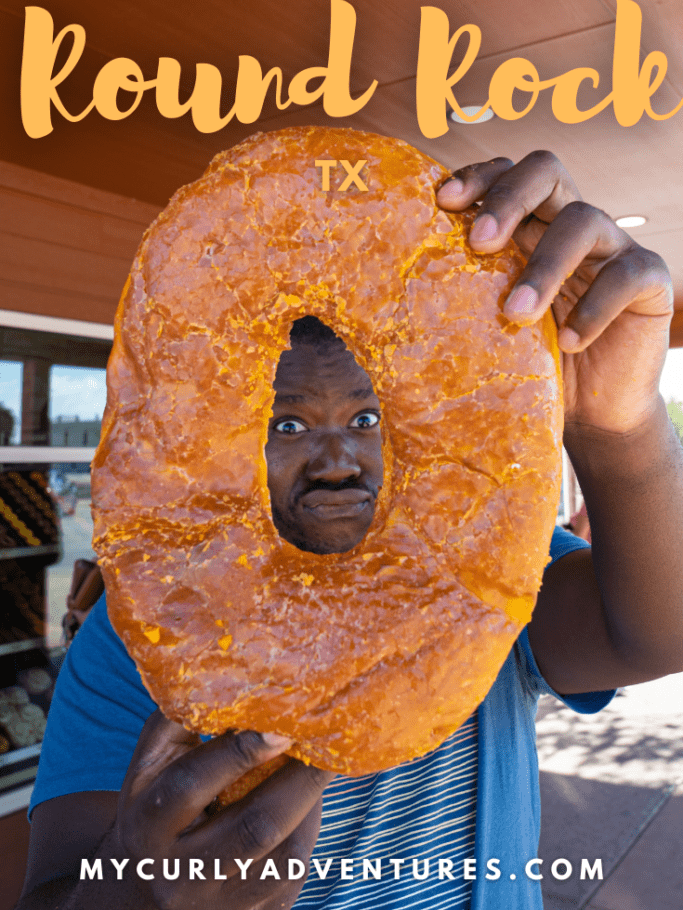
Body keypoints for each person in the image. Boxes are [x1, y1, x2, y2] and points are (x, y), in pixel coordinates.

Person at [17, 152, 683, 910]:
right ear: (232, 440)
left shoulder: (478, 569)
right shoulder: (142, 634)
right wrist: (129, 894)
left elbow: (659, 634)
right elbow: (50, 890)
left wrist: (621, 430)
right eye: (288, 422)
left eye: (367, 419)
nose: (335, 455)